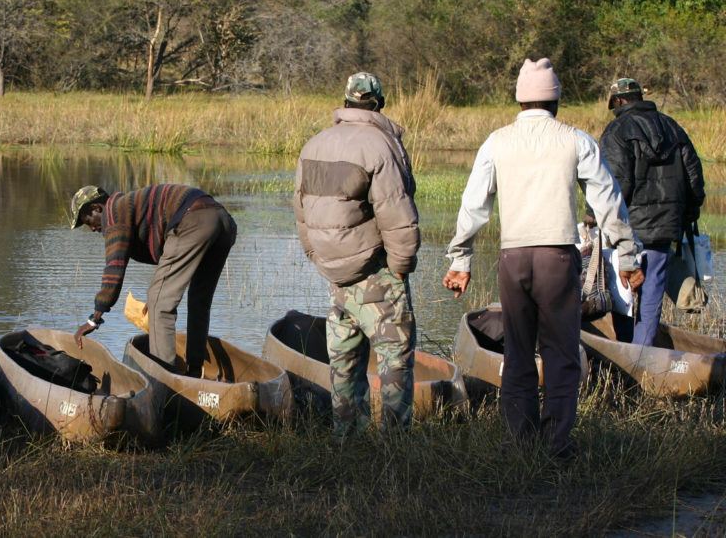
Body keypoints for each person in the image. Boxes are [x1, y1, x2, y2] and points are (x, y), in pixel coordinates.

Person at [441, 58, 644, 458]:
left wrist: (460, 259)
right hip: (557, 260)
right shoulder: (576, 140)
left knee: (517, 352)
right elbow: (607, 202)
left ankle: (521, 443)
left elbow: (473, 206)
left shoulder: (496, 142)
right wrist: (627, 255)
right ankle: (556, 445)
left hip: (513, 260)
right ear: (556, 100)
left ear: (520, 100)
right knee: (561, 353)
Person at [294, 72, 420, 438]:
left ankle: (346, 441)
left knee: (344, 363)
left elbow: (301, 212)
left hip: (334, 275)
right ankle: (395, 444)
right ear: (378, 104)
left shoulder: (313, 145)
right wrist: (400, 268)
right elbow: (397, 215)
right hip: (375, 270)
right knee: (395, 358)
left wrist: (316, 257)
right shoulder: (380, 145)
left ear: (346, 102)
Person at [585, 78, 705, 345]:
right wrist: (688, 214)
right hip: (663, 232)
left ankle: (628, 360)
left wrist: (593, 215)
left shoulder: (617, 130)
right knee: (650, 302)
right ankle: (644, 358)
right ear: (640, 97)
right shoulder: (672, 127)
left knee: (623, 298)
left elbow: (614, 182)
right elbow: (694, 179)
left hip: (627, 230)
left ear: (617, 102)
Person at [70, 184, 236, 375]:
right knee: (199, 301)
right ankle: (194, 371)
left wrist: (94, 319)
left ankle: (165, 379)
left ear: (96, 208)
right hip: (221, 221)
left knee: (159, 304)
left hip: (194, 220)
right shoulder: (130, 206)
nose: (91, 228)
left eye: (86, 220)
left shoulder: (113, 213)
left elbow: (114, 266)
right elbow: (168, 256)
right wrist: (157, 289)